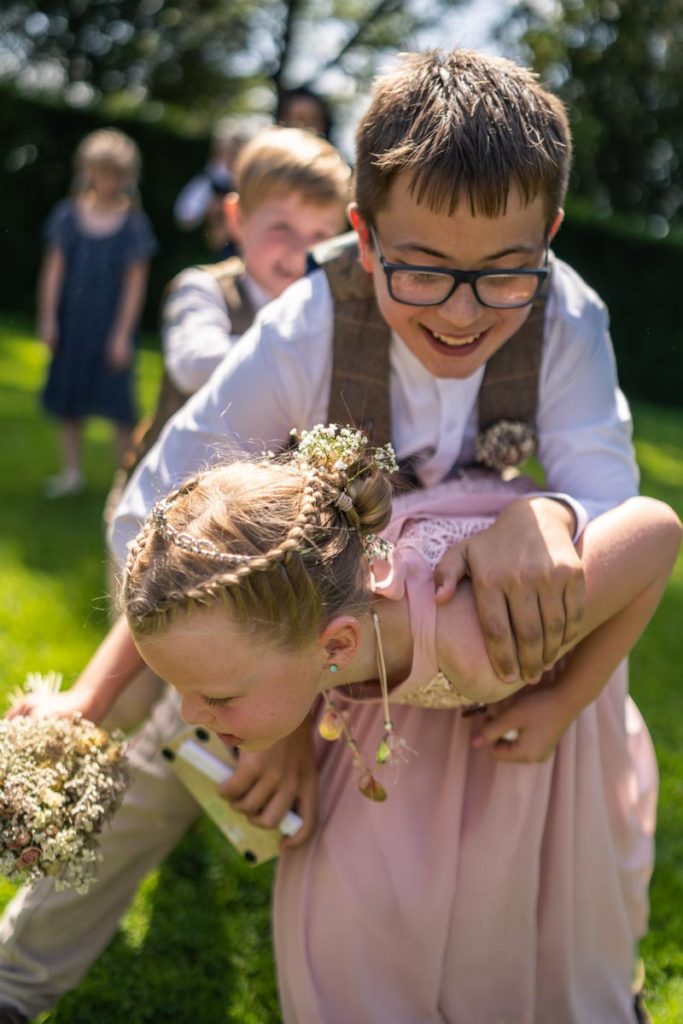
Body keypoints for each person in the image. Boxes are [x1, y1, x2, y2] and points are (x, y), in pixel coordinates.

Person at [0, 47, 647, 1021]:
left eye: (502, 275)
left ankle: (545, 979)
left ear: (548, 240)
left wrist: (545, 511)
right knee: (166, 764)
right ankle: (17, 977)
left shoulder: (567, 322)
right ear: (361, 231)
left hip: (421, 627)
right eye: (420, 270)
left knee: (511, 805)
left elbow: (614, 510)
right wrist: (279, 709)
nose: (461, 312)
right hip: (269, 609)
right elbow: (159, 513)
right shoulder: (305, 327)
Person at [120, 429, 679, 1022]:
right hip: (395, 706)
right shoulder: (307, 585)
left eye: (217, 696)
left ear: (336, 644)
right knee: (338, 929)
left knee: (507, 935)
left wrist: (567, 699)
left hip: (525, 725)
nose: (188, 714)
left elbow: (658, 530)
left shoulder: (481, 642)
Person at [103, 125, 351, 726]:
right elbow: (193, 359)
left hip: (239, 534)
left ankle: (182, 757)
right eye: (281, 229)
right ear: (237, 218)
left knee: (223, 662)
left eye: (320, 236)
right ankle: (98, 738)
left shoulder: (328, 316)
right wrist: (284, 357)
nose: (299, 252)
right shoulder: (206, 289)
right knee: (144, 648)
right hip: (159, 510)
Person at [37, 128, 155, 498]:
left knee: (119, 406)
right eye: (99, 172)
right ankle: (71, 473)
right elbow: (53, 271)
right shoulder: (68, 216)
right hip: (73, 323)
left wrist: (122, 334)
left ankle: (126, 484)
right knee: (68, 400)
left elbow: (136, 284)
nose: (106, 182)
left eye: (114, 175)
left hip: (111, 327)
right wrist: (48, 318)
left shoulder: (134, 224)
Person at [173, 117, 253, 254]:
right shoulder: (213, 182)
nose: (234, 158)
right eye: (231, 152)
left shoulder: (260, 184)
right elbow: (185, 218)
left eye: (239, 151)